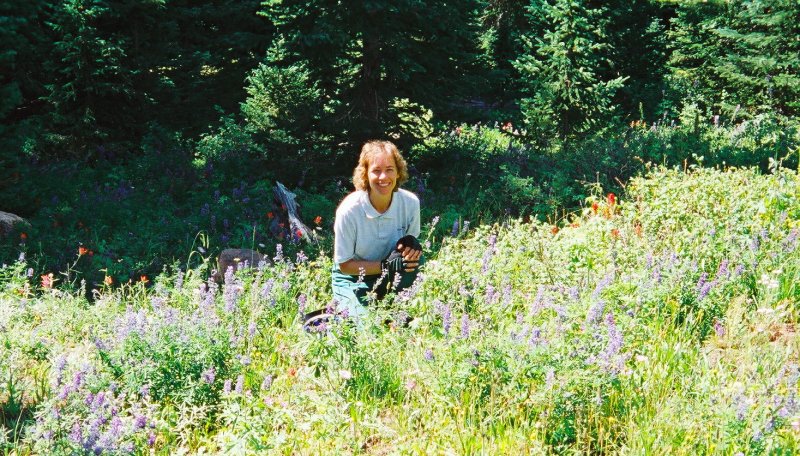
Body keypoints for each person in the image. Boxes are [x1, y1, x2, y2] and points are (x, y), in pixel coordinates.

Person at [330, 140, 423, 321]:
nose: (383, 177)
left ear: (398, 172)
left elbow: (411, 241)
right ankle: (340, 312)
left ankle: (393, 305)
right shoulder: (349, 210)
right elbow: (344, 265)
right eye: (376, 170)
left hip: (391, 273)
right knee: (365, 329)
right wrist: (385, 266)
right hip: (352, 278)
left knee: (419, 262)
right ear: (365, 174)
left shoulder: (410, 203)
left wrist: (411, 253)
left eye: (389, 169)